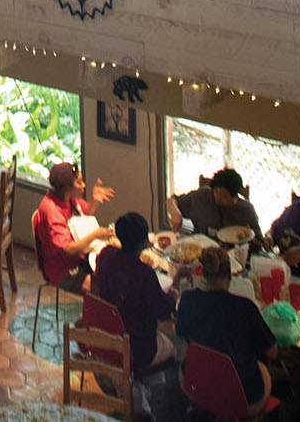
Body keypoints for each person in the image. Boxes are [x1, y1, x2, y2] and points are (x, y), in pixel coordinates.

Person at [177, 247, 277, 416]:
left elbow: (181, 333)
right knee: (263, 368)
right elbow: (272, 352)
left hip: (197, 385)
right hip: (243, 397)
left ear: (203, 274)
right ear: (230, 275)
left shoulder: (187, 299)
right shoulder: (246, 307)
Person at [92, 212, 176, 369]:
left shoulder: (106, 254)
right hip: (136, 349)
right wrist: (175, 288)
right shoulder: (144, 273)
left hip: (106, 334)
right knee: (176, 345)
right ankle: (143, 385)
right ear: (145, 242)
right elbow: (164, 311)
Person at [32, 162, 115, 289]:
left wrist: (95, 201)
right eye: (79, 182)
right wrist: (95, 235)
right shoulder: (51, 210)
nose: (84, 185)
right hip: (63, 270)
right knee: (104, 287)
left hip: (81, 258)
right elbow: (68, 249)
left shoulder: (69, 199)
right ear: (67, 188)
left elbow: (85, 214)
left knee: (116, 271)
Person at [167, 167, 261, 243]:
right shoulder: (202, 197)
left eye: (224, 196)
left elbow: (259, 240)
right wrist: (176, 213)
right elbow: (171, 201)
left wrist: (259, 241)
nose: (218, 198)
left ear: (235, 196)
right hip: (201, 252)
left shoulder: (246, 210)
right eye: (216, 192)